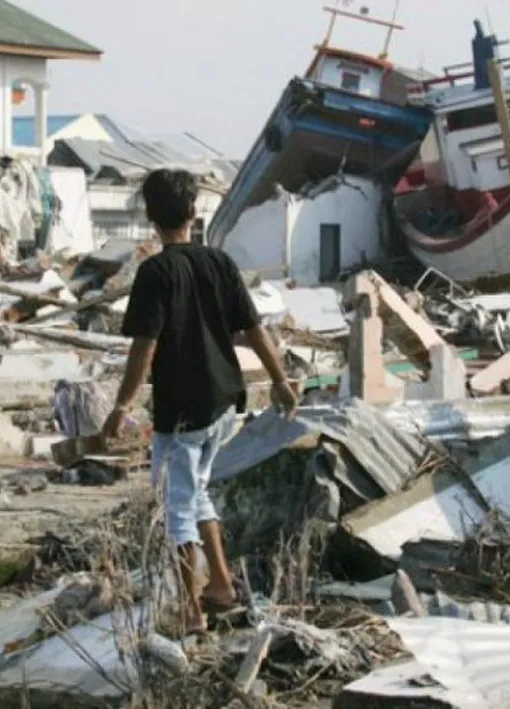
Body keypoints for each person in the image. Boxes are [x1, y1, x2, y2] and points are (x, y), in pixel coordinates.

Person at [102, 168, 299, 634]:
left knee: (176, 509)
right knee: (198, 493)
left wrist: (122, 405)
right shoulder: (220, 263)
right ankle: (222, 585)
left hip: (184, 409)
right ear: (195, 212)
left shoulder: (156, 271)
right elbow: (254, 328)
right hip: (224, 401)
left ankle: (190, 611)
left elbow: (143, 347)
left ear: (151, 218)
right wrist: (279, 380)